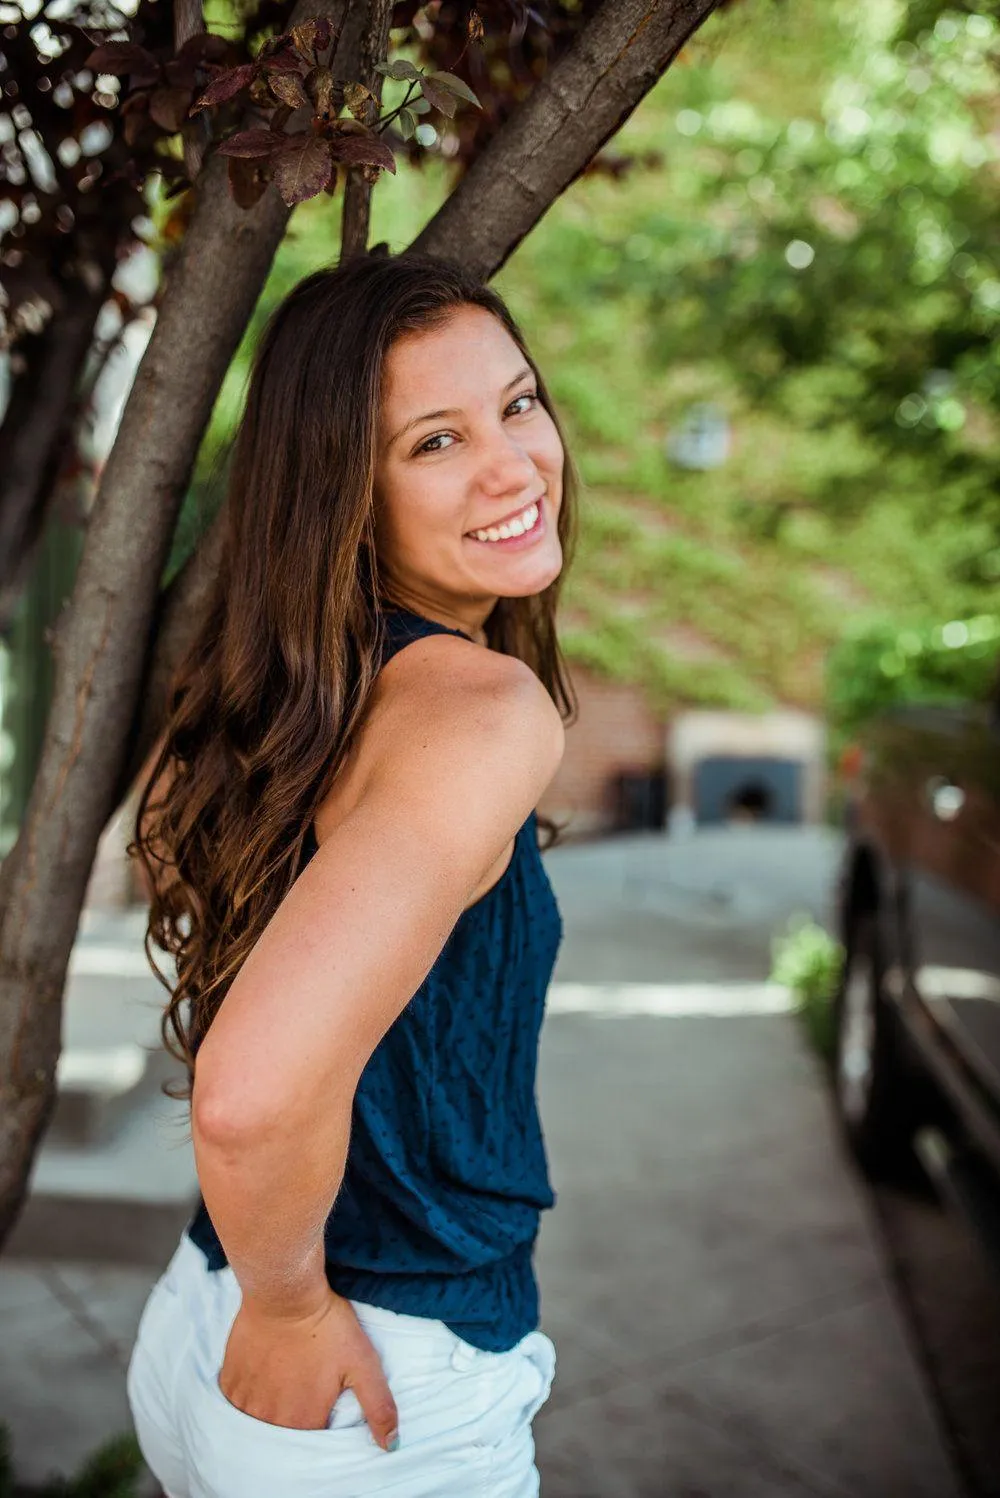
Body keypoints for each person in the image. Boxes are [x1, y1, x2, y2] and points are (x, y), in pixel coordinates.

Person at [125, 248, 580, 1498]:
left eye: (519, 402)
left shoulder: (286, 692)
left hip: (199, 1309)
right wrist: (286, 1313)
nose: (512, 465)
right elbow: (249, 1095)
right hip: (364, 1376)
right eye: (434, 442)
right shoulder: (480, 710)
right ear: (344, 491)